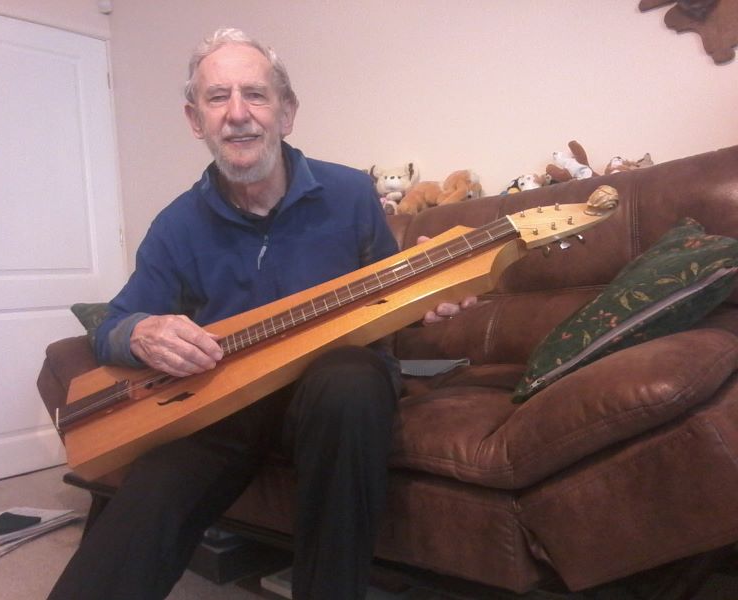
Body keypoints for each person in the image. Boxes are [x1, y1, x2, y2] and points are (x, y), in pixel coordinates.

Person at [49, 28, 469, 600]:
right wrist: (141, 332)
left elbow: (393, 294)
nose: (237, 114)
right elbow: (115, 324)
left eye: (256, 94)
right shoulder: (177, 225)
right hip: (227, 399)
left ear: (287, 112)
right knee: (157, 483)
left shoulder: (349, 194)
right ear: (196, 120)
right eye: (217, 97)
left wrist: (430, 303)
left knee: (348, 382)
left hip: (334, 391)